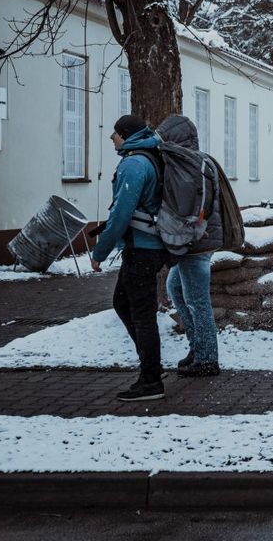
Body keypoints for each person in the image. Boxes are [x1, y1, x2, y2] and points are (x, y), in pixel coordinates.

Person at [90, 115, 169, 402]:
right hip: (148, 246)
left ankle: (151, 381)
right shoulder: (148, 156)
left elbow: (121, 214)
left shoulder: (134, 164)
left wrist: (99, 252)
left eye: (115, 133)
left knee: (142, 314)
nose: (111, 137)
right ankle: (153, 368)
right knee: (122, 302)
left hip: (143, 249)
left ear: (125, 135)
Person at [157, 114, 222, 377]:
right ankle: (198, 348)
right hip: (197, 239)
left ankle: (207, 359)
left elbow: (191, 206)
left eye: (165, 138)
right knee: (175, 288)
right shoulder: (193, 162)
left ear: (177, 139)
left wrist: (180, 231)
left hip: (197, 240)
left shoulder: (192, 165)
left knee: (197, 300)